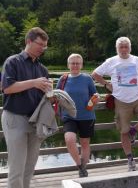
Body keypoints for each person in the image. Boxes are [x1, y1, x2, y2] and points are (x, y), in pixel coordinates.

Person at [91, 37, 138, 171]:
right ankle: (130, 159)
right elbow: (95, 74)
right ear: (117, 48)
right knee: (123, 131)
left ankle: (134, 130)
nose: (124, 49)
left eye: (126, 46)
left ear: (130, 48)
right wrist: (106, 84)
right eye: (121, 47)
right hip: (120, 101)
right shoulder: (111, 61)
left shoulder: (137, 60)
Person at [1, 27, 51, 188]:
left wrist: (52, 95)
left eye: (45, 46)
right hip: (15, 118)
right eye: (40, 44)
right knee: (17, 168)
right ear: (28, 41)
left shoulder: (42, 69)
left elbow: (43, 98)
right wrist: (34, 83)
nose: (43, 48)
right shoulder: (12, 61)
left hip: (36, 121)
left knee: (29, 168)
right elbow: (7, 88)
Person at [56, 53, 98, 177]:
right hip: (69, 116)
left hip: (87, 116)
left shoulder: (87, 78)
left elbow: (95, 94)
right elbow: (57, 95)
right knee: (69, 139)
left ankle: (83, 170)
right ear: (68, 65)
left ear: (81, 65)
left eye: (77, 63)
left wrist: (95, 99)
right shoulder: (63, 79)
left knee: (85, 144)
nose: (75, 65)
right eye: (72, 63)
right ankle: (79, 165)